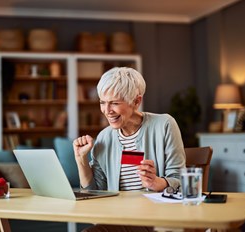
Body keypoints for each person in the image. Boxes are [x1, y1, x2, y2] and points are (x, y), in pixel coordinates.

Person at [73, 67, 186, 231]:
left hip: (157, 219)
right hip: (117, 218)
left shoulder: (164, 125)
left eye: (115, 103)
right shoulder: (104, 138)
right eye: (102, 102)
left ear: (136, 101)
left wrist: (157, 183)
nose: (107, 110)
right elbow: (94, 194)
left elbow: (182, 181)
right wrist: (81, 160)